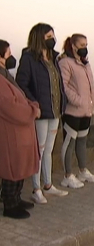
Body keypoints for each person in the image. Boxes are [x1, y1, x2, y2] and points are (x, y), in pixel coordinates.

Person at [16, 23, 69, 204]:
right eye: (48, 37)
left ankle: (48, 184)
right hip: (40, 112)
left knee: (48, 150)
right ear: (39, 38)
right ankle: (36, 188)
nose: (52, 40)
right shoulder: (29, 58)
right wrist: (34, 103)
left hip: (54, 111)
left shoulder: (54, 58)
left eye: (53, 36)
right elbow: (21, 83)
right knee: (38, 151)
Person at [0, 39, 40, 219]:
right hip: (10, 133)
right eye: (8, 54)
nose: (11, 57)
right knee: (11, 169)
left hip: (19, 132)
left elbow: (19, 97)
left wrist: (31, 104)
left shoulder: (5, 75)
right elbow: (11, 107)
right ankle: (10, 205)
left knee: (20, 167)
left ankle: (16, 198)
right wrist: (33, 110)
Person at [58, 34, 94, 189]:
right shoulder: (65, 63)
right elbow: (64, 86)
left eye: (86, 44)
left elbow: (90, 84)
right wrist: (78, 101)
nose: (85, 47)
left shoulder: (85, 63)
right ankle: (67, 176)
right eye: (82, 44)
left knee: (82, 141)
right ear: (73, 46)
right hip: (72, 111)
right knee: (69, 143)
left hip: (86, 110)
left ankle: (83, 171)